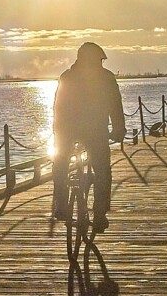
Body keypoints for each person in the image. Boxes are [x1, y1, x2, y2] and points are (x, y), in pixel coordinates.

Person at [51, 42, 126, 233]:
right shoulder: (106, 78)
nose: (101, 64)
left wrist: (57, 131)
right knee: (102, 170)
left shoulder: (67, 76)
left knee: (60, 162)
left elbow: (57, 106)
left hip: (67, 129)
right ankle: (100, 214)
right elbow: (115, 105)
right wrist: (119, 129)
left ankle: (60, 203)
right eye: (99, 60)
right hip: (95, 130)